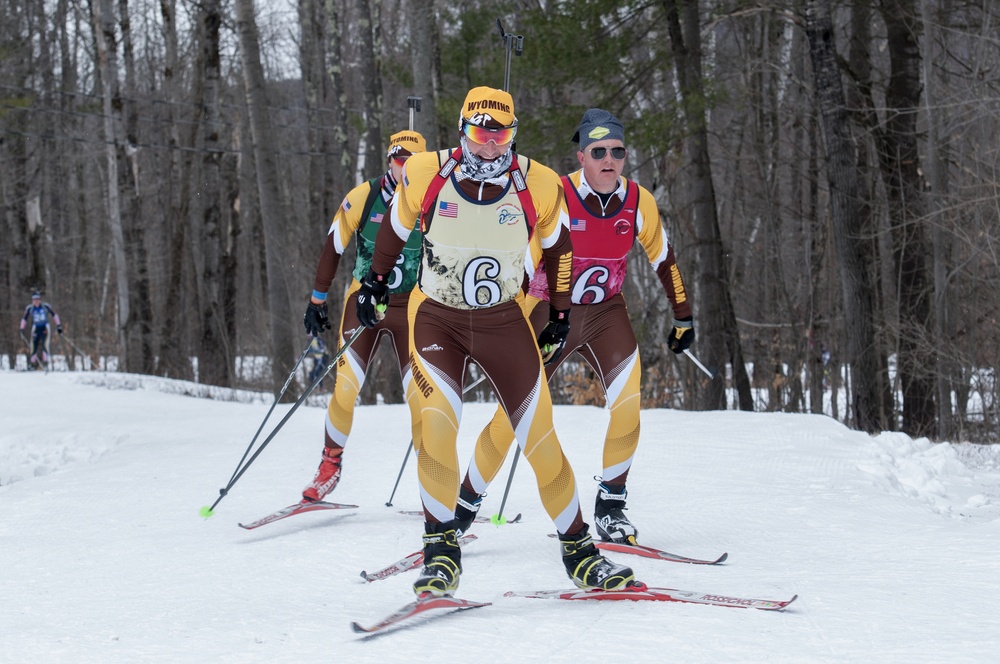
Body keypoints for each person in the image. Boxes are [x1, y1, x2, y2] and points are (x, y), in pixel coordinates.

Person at [357, 86, 635, 597]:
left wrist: (560, 312)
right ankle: (440, 552)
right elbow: (394, 231)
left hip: (503, 321)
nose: (491, 146)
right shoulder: (425, 172)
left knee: (541, 437)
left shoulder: (538, 182)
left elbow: (561, 251)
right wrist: (374, 283)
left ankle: (580, 552)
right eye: (482, 133)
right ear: (463, 129)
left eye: (501, 134)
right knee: (438, 430)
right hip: (436, 317)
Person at [453, 108, 695, 546]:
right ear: (581, 156)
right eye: (598, 151)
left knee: (628, 402)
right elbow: (522, 263)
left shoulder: (639, 201)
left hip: (605, 313)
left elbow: (664, 260)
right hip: (549, 312)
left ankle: (612, 505)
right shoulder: (557, 193)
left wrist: (683, 315)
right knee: (514, 415)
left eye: (617, 152)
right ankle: (464, 505)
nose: (609, 160)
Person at [299, 129, 428, 503]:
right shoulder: (365, 195)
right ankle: (330, 465)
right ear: (389, 160)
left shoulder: (434, 197)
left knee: (421, 398)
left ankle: (433, 478)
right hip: (364, 302)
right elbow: (333, 247)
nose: (405, 168)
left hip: (413, 305)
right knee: (345, 386)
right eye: (399, 160)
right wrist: (317, 301)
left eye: (413, 162)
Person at [20, 291, 62, 370]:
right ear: (32, 300)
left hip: (45, 327)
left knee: (45, 345)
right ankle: (32, 364)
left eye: (37, 299)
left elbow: (54, 315)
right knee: (33, 345)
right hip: (36, 327)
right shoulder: (30, 308)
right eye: (34, 299)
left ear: (39, 299)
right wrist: (22, 328)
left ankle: (45, 363)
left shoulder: (45, 306)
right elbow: (24, 319)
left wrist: (58, 326)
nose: (36, 301)